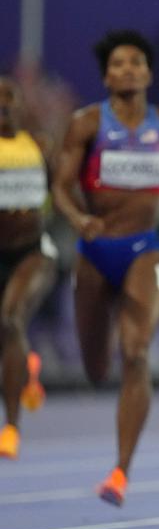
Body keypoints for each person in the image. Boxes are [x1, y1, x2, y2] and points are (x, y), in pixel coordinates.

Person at [52, 30, 159, 505]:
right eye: (118, 64)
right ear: (106, 75)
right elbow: (60, 185)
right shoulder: (85, 125)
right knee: (96, 368)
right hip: (94, 251)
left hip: (146, 248)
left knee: (137, 349)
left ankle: (120, 472)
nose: (127, 69)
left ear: (148, 72)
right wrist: (77, 216)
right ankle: (41, 369)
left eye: (136, 62)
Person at [0, 77, 58, 460]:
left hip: (33, 253)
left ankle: (12, 426)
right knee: (9, 332)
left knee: (10, 320)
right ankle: (27, 366)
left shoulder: (39, 145)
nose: (3, 105)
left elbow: (62, 191)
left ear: (20, 104)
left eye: (9, 98)